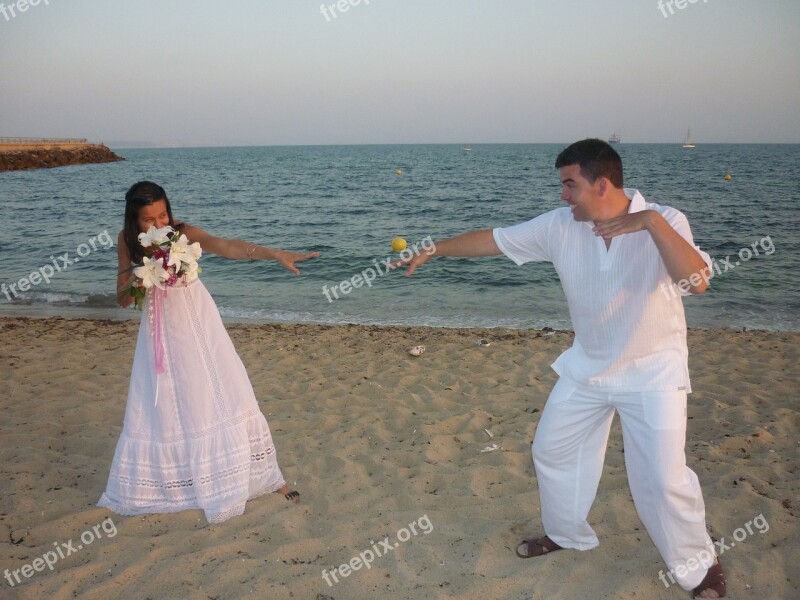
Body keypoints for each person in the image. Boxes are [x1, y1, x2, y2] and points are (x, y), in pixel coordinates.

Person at [400, 139, 726, 598]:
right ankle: (567, 533)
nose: (563, 196)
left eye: (570, 185)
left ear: (602, 183)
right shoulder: (560, 226)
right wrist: (434, 249)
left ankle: (699, 568)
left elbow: (697, 281)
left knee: (662, 478)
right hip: (587, 369)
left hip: (654, 374)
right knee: (553, 450)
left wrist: (649, 223)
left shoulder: (666, 220)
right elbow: (494, 239)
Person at [98, 181, 318, 524]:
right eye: (149, 220)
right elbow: (123, 298)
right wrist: (145, 277)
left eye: (163, 214)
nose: (159, 224)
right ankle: (181, 482)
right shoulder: (126, 242)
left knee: (229, 387)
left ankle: (261, 477)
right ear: (134, 221)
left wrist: (275, 254)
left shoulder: (182, 233)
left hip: (200, 323)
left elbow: (228, 246)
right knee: (172, 404)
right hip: (162, 332)